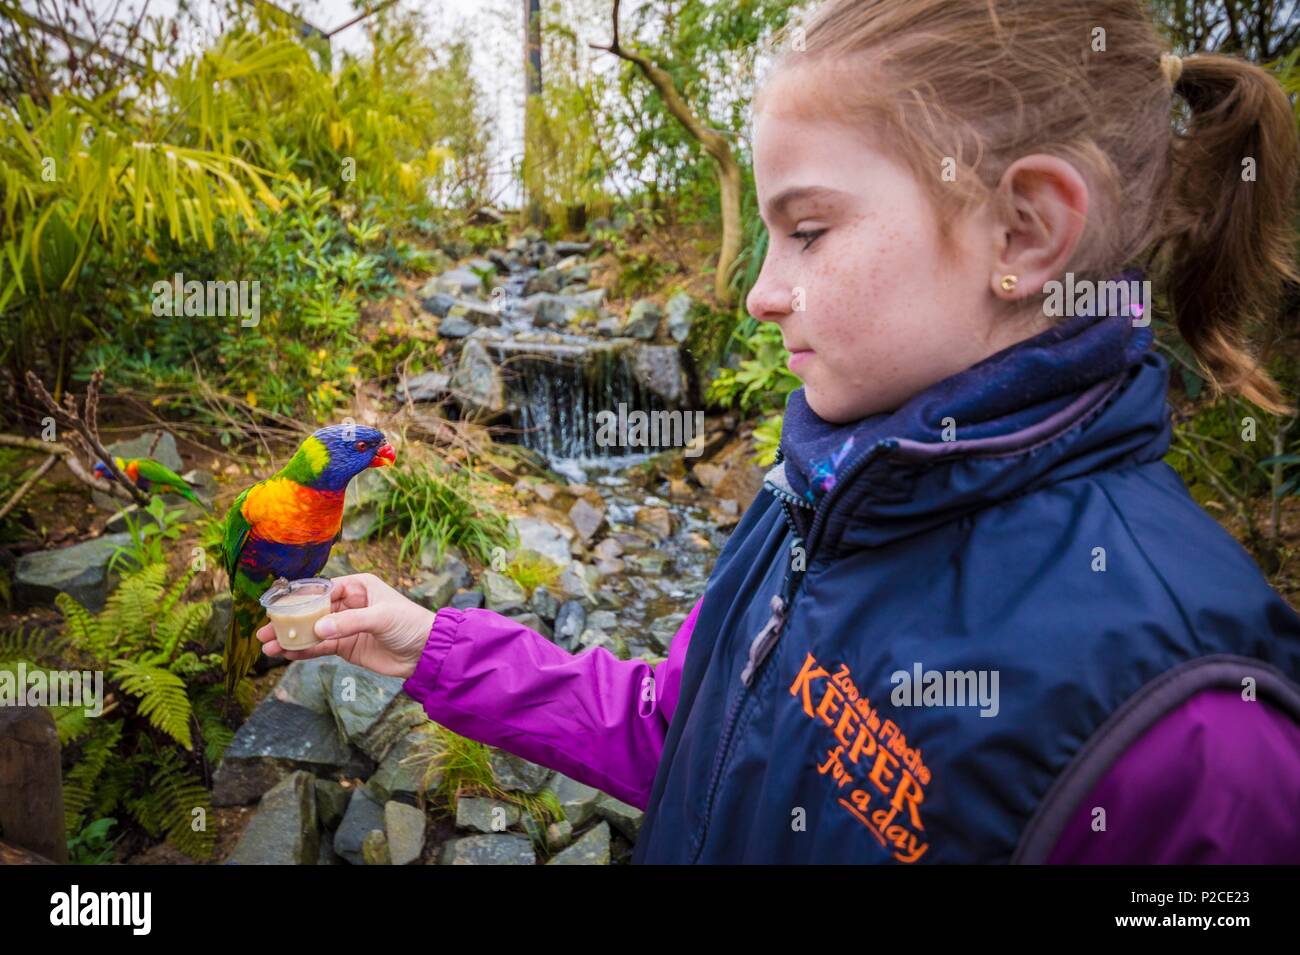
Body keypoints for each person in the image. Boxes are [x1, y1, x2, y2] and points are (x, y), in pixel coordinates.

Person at [256, 0, 1300, 863]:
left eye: (806, 231)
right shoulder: (822, 490)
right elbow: (690, 734)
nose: (757, 292)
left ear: (1024, 230)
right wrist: (432, 644)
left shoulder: (1196, 735)